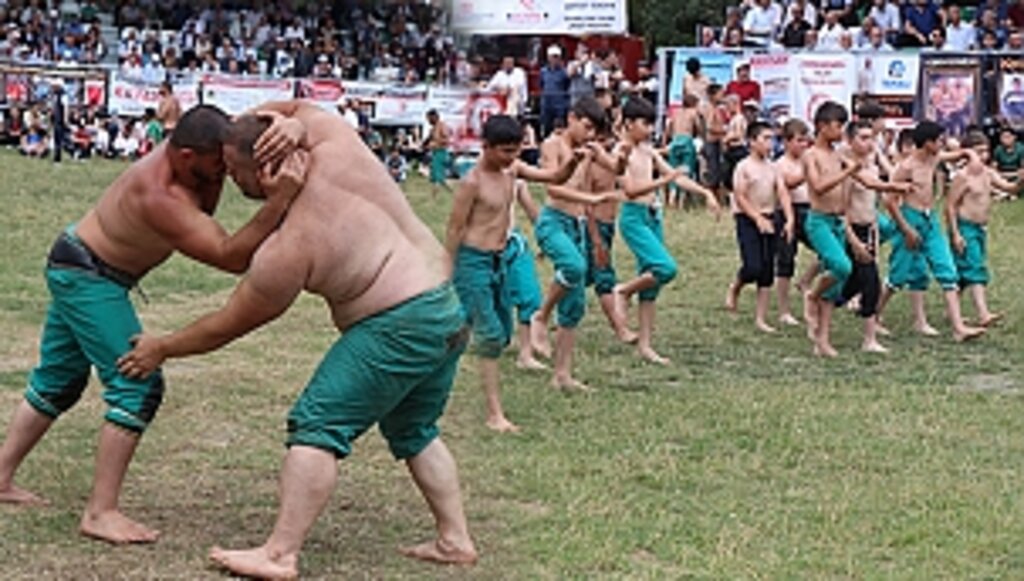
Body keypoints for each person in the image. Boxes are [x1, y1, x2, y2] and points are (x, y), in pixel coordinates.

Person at [117, 102, 478, 578]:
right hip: (444, 307)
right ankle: (455, 540)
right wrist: (291, 123)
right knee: (413, 429)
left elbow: (230, 322)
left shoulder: (290, 245)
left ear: (264, 165)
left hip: (399, 322)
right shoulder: (335, 139)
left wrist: (162, 346)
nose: (228, 179)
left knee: (317, 423)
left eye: (232, 169)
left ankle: (280, 553)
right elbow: (305, 109)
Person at [0, 105, 304, 545]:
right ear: (184, 156)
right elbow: (231, 256)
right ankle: (100, 513)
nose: (225, 173)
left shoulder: (198, 151)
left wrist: (286, 123)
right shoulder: (160, 195)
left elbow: (255, 127)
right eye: (216, 167)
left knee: (58, 382)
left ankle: (2, 477)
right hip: (89, 275)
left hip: (80, 264)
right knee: (137, 382)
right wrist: (279, 201)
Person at [445, 115, 582, 433]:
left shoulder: (514, 170)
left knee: (501, 331)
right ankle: (495, 414)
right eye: (505, 151)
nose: (511, 157)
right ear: (486, 147)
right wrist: (447, 268)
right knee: (491, 337)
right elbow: (454, 227)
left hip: (500, 260)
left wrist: (574, 161)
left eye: (516, 150)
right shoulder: (472, 182)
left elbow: (555, 175)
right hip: (472, 261)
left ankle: (441, 344)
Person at [612, 97, 719, 364]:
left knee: (651, 285)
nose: (650, 130)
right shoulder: (620, 153)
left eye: (651, 124)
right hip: (633, 218)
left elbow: (677, 176)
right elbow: (631, 190)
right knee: (665, 268)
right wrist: (664, 180)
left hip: (653, 216)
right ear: (628, 123)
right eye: (644, 124)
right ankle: (623, 291)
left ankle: (646, 345)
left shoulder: (648, 151)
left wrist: (705, 192)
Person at [530, 96, 618, 390]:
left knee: (575, 304)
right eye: (587, 127)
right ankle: (540, 316)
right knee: (573, 266)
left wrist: (621, 154)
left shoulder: (590, 149)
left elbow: (616, 167)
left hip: (577, 225)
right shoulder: (552, 145)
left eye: (595, 130)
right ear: (571, 118)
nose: (590, 135)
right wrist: (590, 198)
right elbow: (554, 188)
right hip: (553, 220)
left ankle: (562, 374)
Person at [875, 121, 985, 342]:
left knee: (947, 270)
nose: (942, 143)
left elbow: (957, 154)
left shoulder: (934, 158)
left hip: (930, 220)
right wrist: (905, 229)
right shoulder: (906, 167)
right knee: (898, 275)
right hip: (910, 219)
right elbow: (889, 201)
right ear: (927, 143)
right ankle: (874, 315)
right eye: (939, 140)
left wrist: (971, 155)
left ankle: (958, 328)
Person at [838, 120, 914, 353]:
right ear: (849, 141)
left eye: (871, 137)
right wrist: (853, 239)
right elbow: (842, 211)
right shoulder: (847, 169)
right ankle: (868, 338)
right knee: (869, 282)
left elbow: (876, 193)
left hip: (869, 229)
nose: (869, 143)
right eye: (863, 138)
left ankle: (822, 303)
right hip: (852, 231)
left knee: (855, 283)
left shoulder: (870, 166)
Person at [802, 101, 863, 357]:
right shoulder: (811, 155)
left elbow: (859, 178)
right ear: (822, 126)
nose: (841, 132)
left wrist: (890, 186)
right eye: (838, 126)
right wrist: (846, 171)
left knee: (835, 286)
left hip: (837, 220)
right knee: (841, 266)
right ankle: (810, 295)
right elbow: (818, 187)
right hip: (819, 221)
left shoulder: (839, 155)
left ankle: (823, 341)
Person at [947, 132, 1024, 327]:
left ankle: (952, 310)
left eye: (985, 151)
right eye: (978, 151)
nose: (983, 156)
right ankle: (983, 313)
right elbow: (950, 206)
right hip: (965, 227)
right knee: (975, 268)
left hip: (981, 228)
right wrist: (955, 234)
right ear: (966, 153)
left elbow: (1009, 188)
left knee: (963, 273)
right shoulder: (962, 177)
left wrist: (1020, 181)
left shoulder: (988, 173)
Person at [725, 121, 793, 334]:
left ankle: (761, 318)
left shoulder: (774, 167)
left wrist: (790, 219)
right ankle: (736, 285)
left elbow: (782, 193)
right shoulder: (744, 167)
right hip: (747, 219)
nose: (770, 143)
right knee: (752, 266)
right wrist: (756, 218)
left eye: (771, 138)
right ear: (752, 142)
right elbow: (740, 196)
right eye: (765, 138)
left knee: (767, 270)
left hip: (770, 216)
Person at [773, 119, 814, 327]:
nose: (803, 145)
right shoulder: (780, 164)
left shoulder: (808, 159)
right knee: (786, 261)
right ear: (787, 142)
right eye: (799, 140)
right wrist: (808, 171)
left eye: (805, 140)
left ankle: (805, 280)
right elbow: (788, 183)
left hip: (810, 210)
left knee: (829, 251)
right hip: (786, 213)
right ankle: (784, 310)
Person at [539, 45, 570, 138]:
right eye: (553, 57)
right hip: (546, 103)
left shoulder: (564, 72)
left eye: (557, 57)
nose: (554, 59)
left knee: (560, 127)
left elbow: (567, 85)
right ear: (548, 58)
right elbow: (541, 84)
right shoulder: (543, 71)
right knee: (546, 127)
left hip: (560, 104)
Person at [425, 109, 452, 198]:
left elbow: (447, 140)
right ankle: (453, 193)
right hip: (435, 153)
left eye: (429, 118)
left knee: (437, 176)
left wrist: (436, 143)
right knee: (439, 177)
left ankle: (434, 197)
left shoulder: (442, 126)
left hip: (441, 152)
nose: (428, 121)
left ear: (434, 117)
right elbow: (427, 140)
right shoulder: (433, 129)